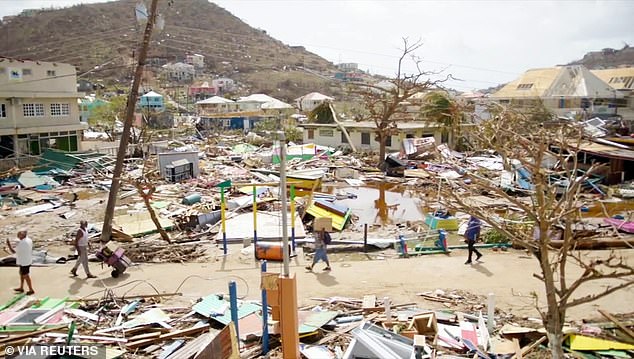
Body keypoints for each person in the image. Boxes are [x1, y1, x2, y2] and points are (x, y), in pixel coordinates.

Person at [6, 230, 35, 295]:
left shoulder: (22, 244)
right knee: (21, 273)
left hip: (24, 262)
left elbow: (13, 251)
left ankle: (31, 289)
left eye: (19, 235)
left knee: (25, 275)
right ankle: (21, 287)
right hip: (27, 260)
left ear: (22, 236)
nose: (17, 236)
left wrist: (9, 245)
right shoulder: (29, 240)